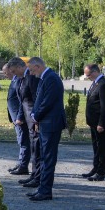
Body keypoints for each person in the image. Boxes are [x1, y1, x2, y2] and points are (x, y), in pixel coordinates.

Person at [26, 57, 66, 201]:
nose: (30, 73)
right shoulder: (46, 77)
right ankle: (42, 188)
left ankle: (45, 190)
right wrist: (35, 116)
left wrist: (35, 116)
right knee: (44, 156)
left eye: (31, 70)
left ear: (37, 66)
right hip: (46, 122)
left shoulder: (51, 78)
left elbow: (47, 102)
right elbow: (40, 100)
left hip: (51, 123)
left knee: (48, 158)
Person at [8, 57, 42, 186]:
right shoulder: (22, 78)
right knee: (33, 149)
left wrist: (35, 118)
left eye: (14, 70)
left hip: (33, 119)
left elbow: (35, 99)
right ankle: (34, 175)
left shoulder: (31, 77)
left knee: (36, 149)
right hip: (27, 118)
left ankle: (36, 176)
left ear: (21, 67)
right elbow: (23, 101)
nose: (13, 74)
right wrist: (21, 116)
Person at [83, 63, 105, 181]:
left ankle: (101, 173)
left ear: (95, 72)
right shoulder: (96, 83)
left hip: (101, 123)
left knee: (102, 148)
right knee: (96, 147)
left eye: (89, 75)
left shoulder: (103, 85)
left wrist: (101, 123)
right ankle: (95, 168)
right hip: (93, 122)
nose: (88, 77)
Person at [3, 63, 29, 175]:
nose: (5, 75)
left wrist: (20, 117)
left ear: (11, 69)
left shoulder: (19, 80)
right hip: (15, 117)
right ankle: (21, 163)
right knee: (21, 140)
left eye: (5, 72)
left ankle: (23, 166)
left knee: (24, 140)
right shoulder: (15, 79)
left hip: (20, 117)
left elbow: (21, 101)